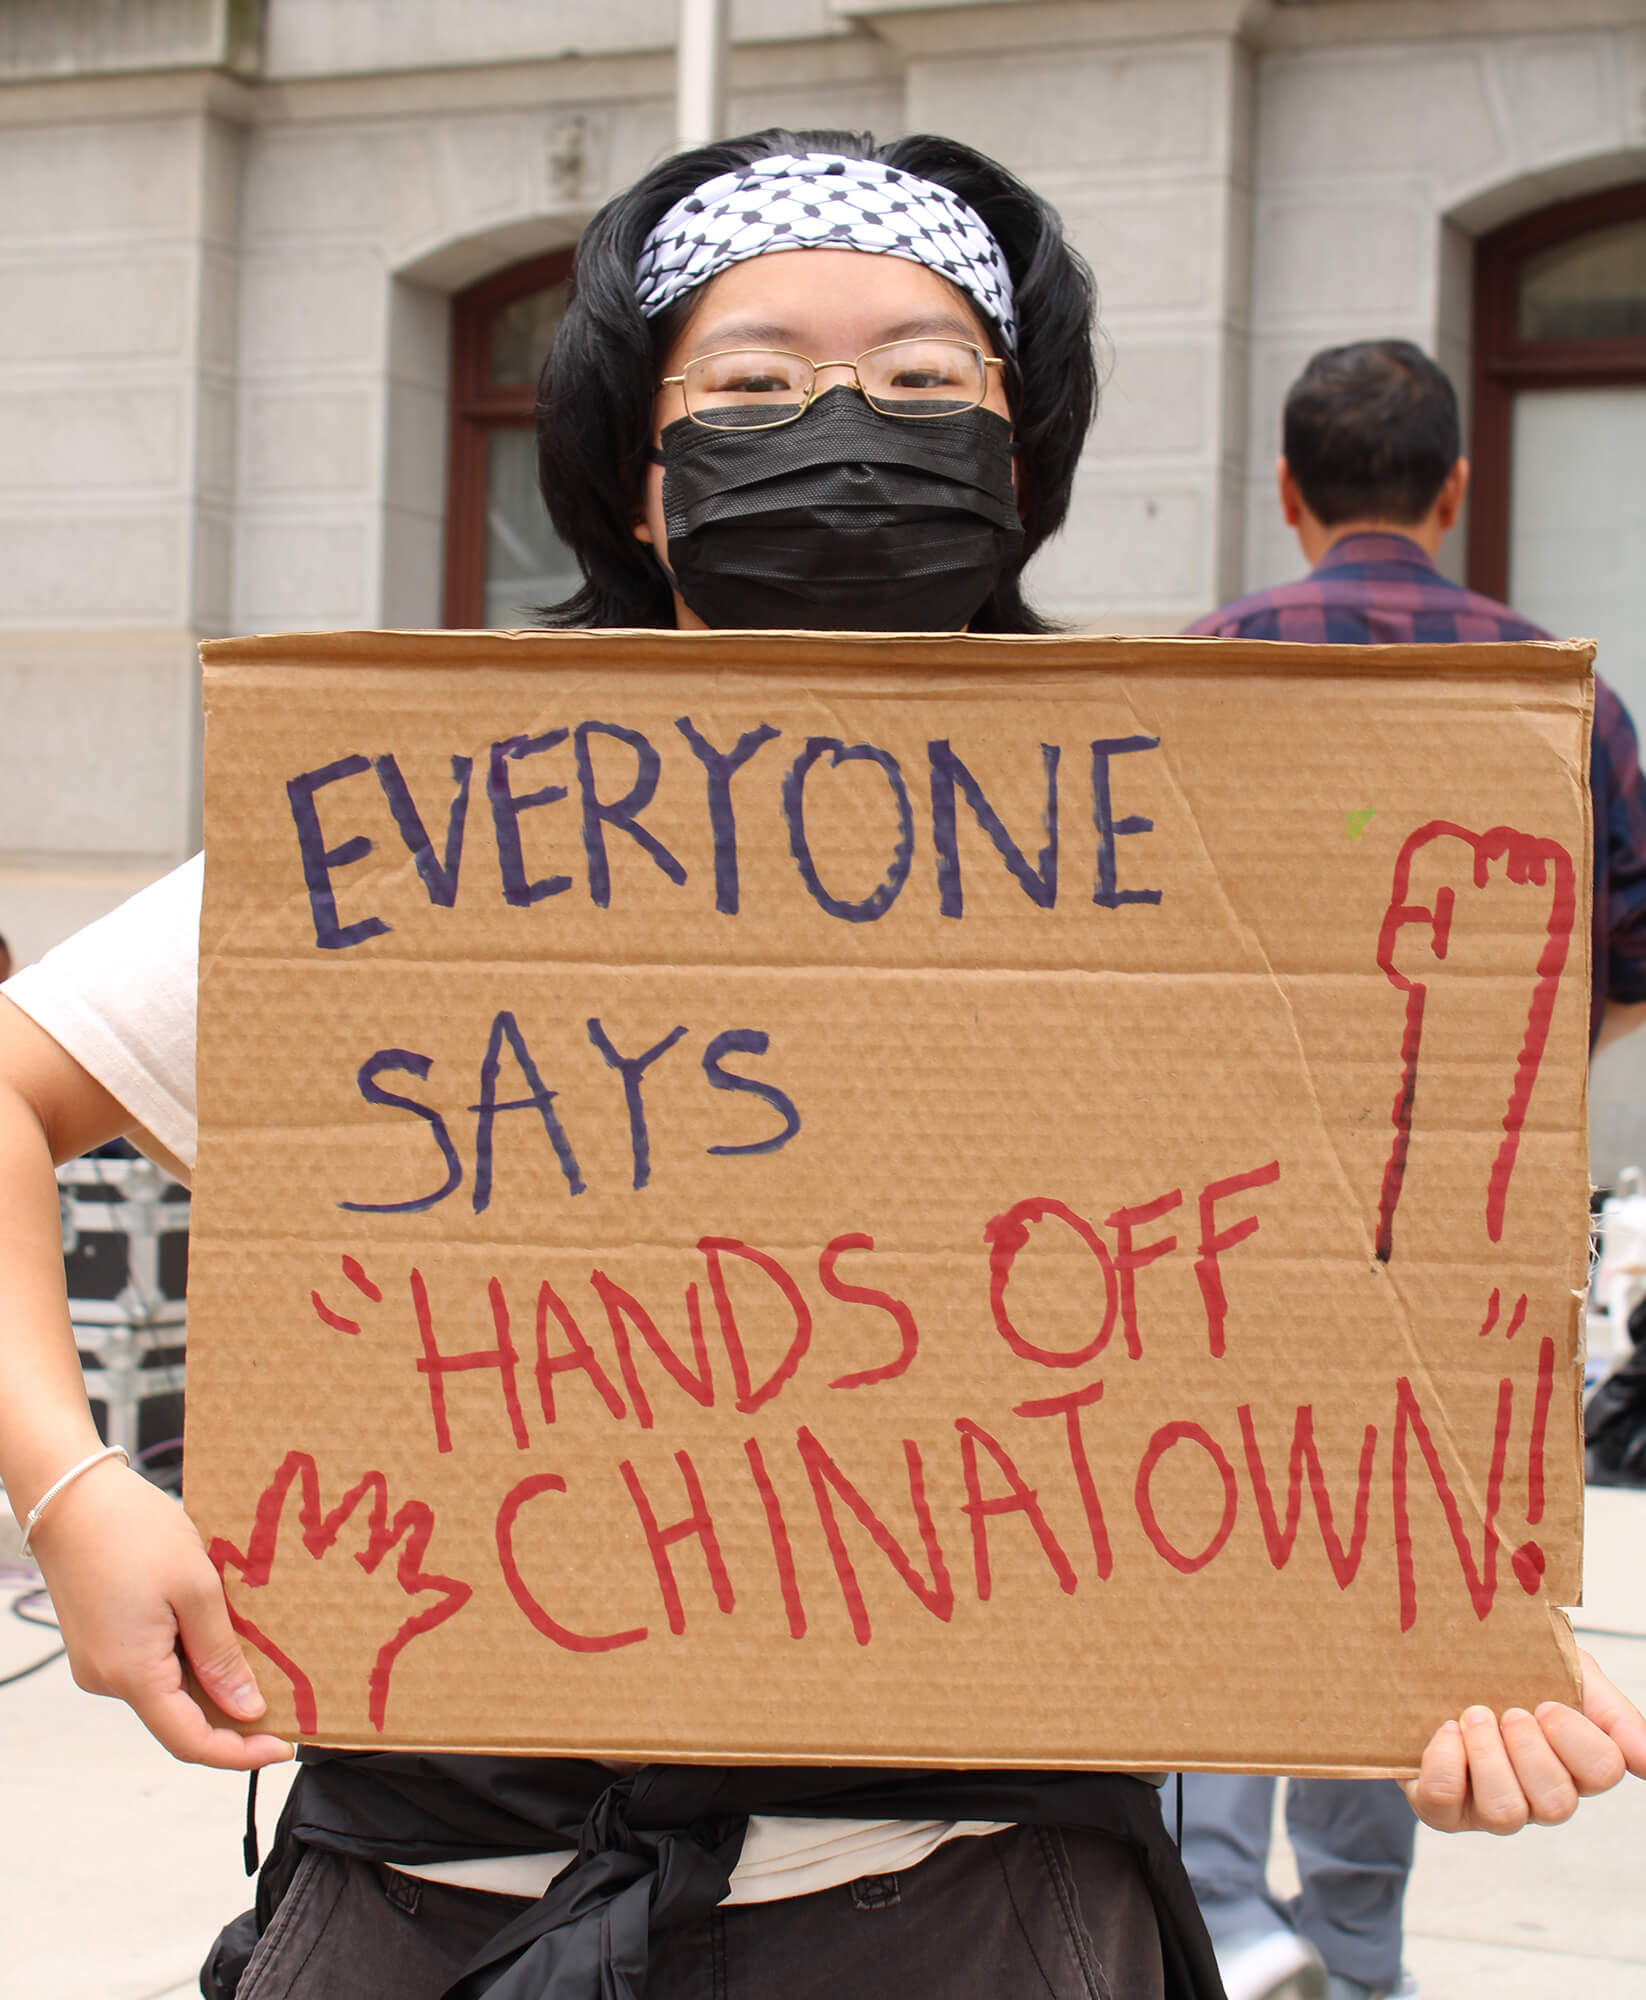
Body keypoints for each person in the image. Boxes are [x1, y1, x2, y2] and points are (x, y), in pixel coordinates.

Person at [0, 157, 1641, 2000]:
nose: (846, 435)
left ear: (1019, 459)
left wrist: (1426, 1645)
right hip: (438, 1902)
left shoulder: (1186, 849)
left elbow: (1347, 1288)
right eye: (756, 389)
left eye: (932, 386)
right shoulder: (424, 827)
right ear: (638, 459)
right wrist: (72, 1489)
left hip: (975, 1912)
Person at [1180, 336, 1646, 2000]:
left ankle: (1219, 1914)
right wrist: (1499, 1114)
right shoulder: (1560, 690)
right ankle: (1355, 1947)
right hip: (1473, 1217)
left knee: (1238, 1522)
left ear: (1290, 494)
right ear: (1452, 492)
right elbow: (1629, 958)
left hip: (1243, 1206)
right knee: (1417, 1552)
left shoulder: (1209, 666)